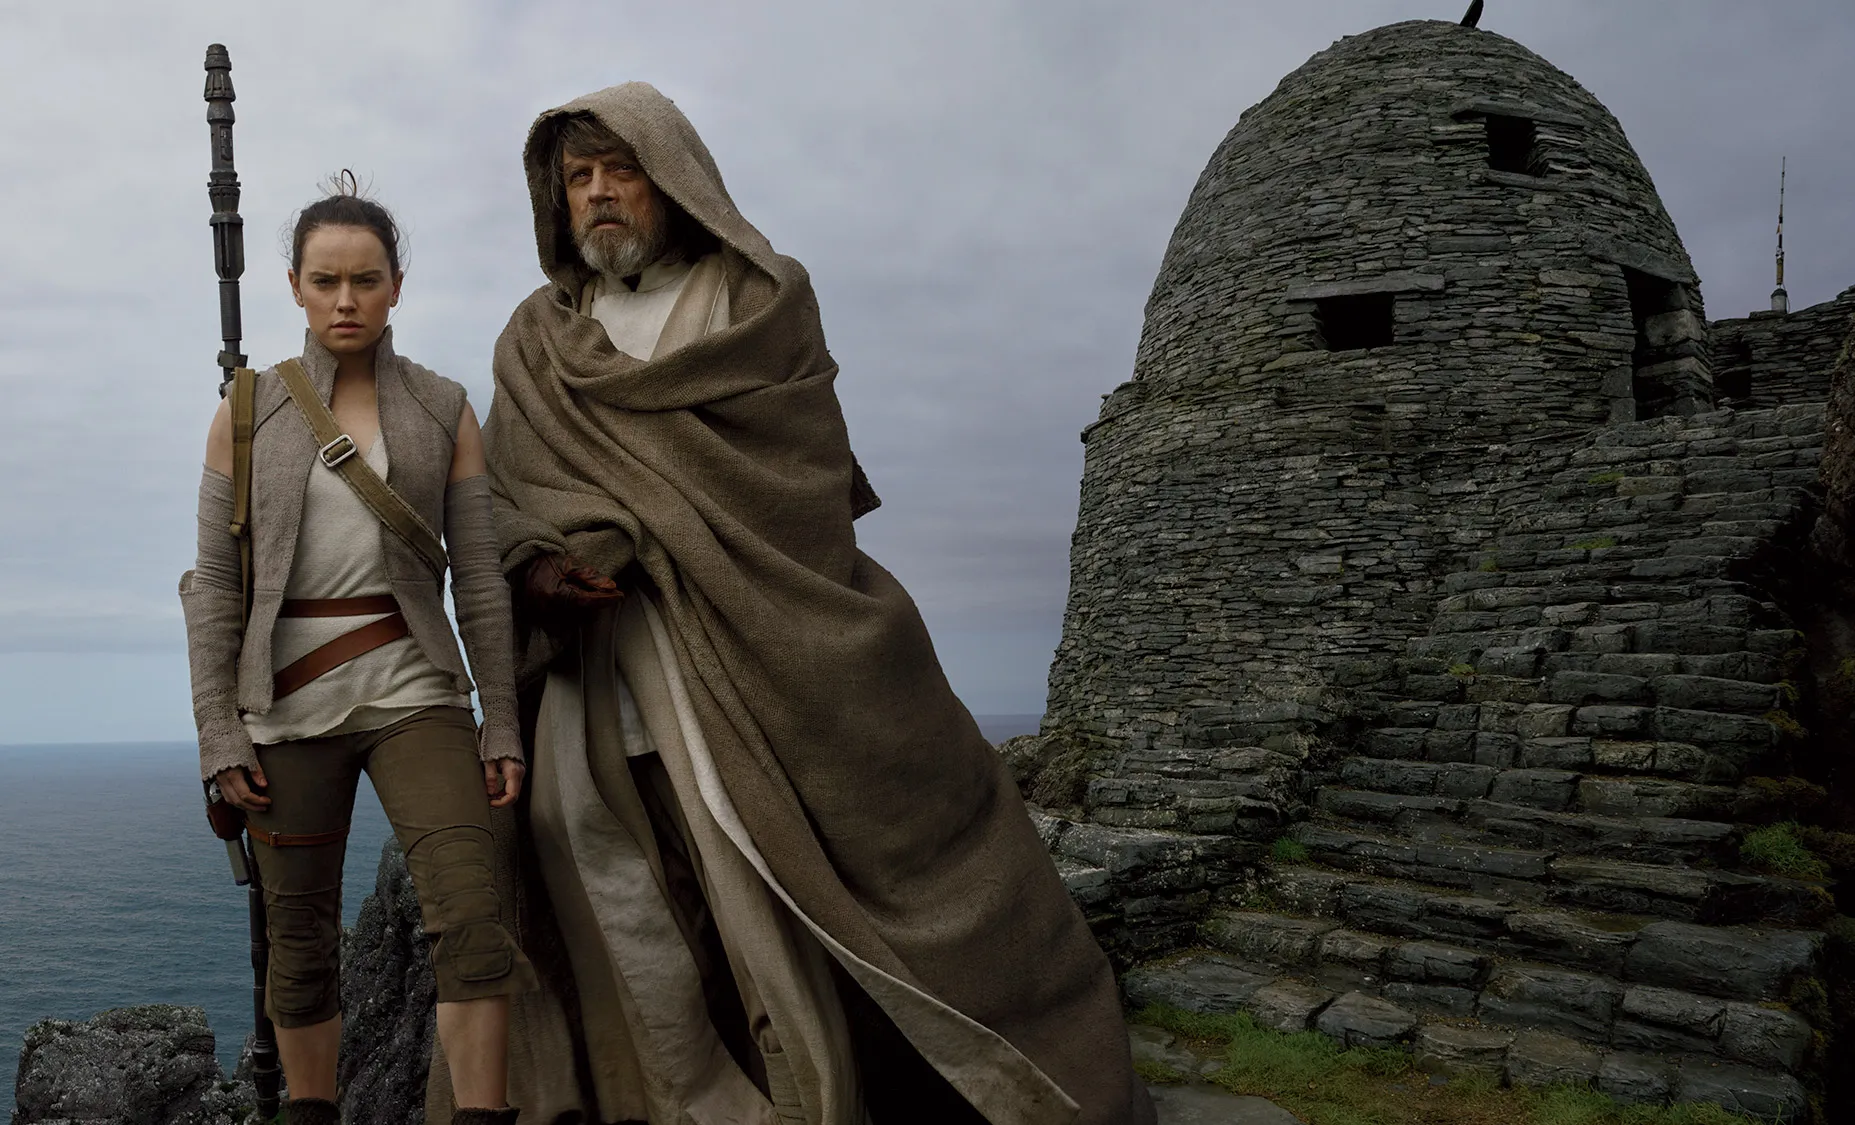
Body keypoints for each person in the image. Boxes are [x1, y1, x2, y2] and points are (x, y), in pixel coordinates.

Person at [460, 83, 1155, 1125]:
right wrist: (537, 563)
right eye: (578, 176)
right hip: (603, 676)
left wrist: (644, 530)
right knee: (622, 884)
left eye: (621, 168)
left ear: (672, 177)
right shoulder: (536, 341)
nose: (598, 192)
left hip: (759, 649)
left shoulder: (758, 303)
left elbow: (796, 475)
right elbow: (507, 493)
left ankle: (839, 1097)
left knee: (767, 890)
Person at [180, 178, 536, 1125]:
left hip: (416, 689)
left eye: (366, 280)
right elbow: (213, 586)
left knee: (473, 920)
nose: (346, 300)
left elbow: (481, 577)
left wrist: (500, 717)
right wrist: (219, 731)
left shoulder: (443, 407)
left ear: (396, 287)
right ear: (295, 287)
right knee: (299, 941)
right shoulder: (246, 410)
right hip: (284, 703)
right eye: (326, 280)